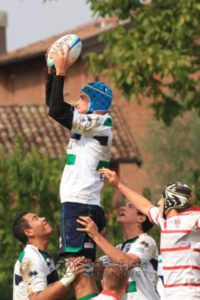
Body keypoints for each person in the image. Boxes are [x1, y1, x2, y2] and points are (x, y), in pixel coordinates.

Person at [45, 45, 113, 299]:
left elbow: (57, 110)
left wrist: (62, 73)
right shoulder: (89, 122)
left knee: (80, 273)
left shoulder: (101, 122)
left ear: (95, 102)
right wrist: (52, 73)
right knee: (77, 273)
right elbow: (54, 106)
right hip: (77, 204)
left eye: (82, 98)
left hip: (81, 204)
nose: (77, 102)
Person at [100, 168, 200, 299]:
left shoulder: (193, 218)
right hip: (170, 295)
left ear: (172, 201)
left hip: (189, 294)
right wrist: (118, 184)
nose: (158, 202)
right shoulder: (164, 221)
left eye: (162, 198)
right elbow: (145, 206)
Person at [77, 201, 160, 299]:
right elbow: (94, 268)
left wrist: (96, 235)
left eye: (130, 206)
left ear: (140, 218)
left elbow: (128, 262)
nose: (122, 208)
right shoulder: (118, 249)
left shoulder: (146, 241)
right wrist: (81, 261)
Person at [12, 212, 85, 300]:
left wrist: (77, 274)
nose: (43, 218)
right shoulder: (30, 259)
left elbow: (57, 296)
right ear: (28, 232)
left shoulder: (43, 256)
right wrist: (68, 278)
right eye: (35, 218)